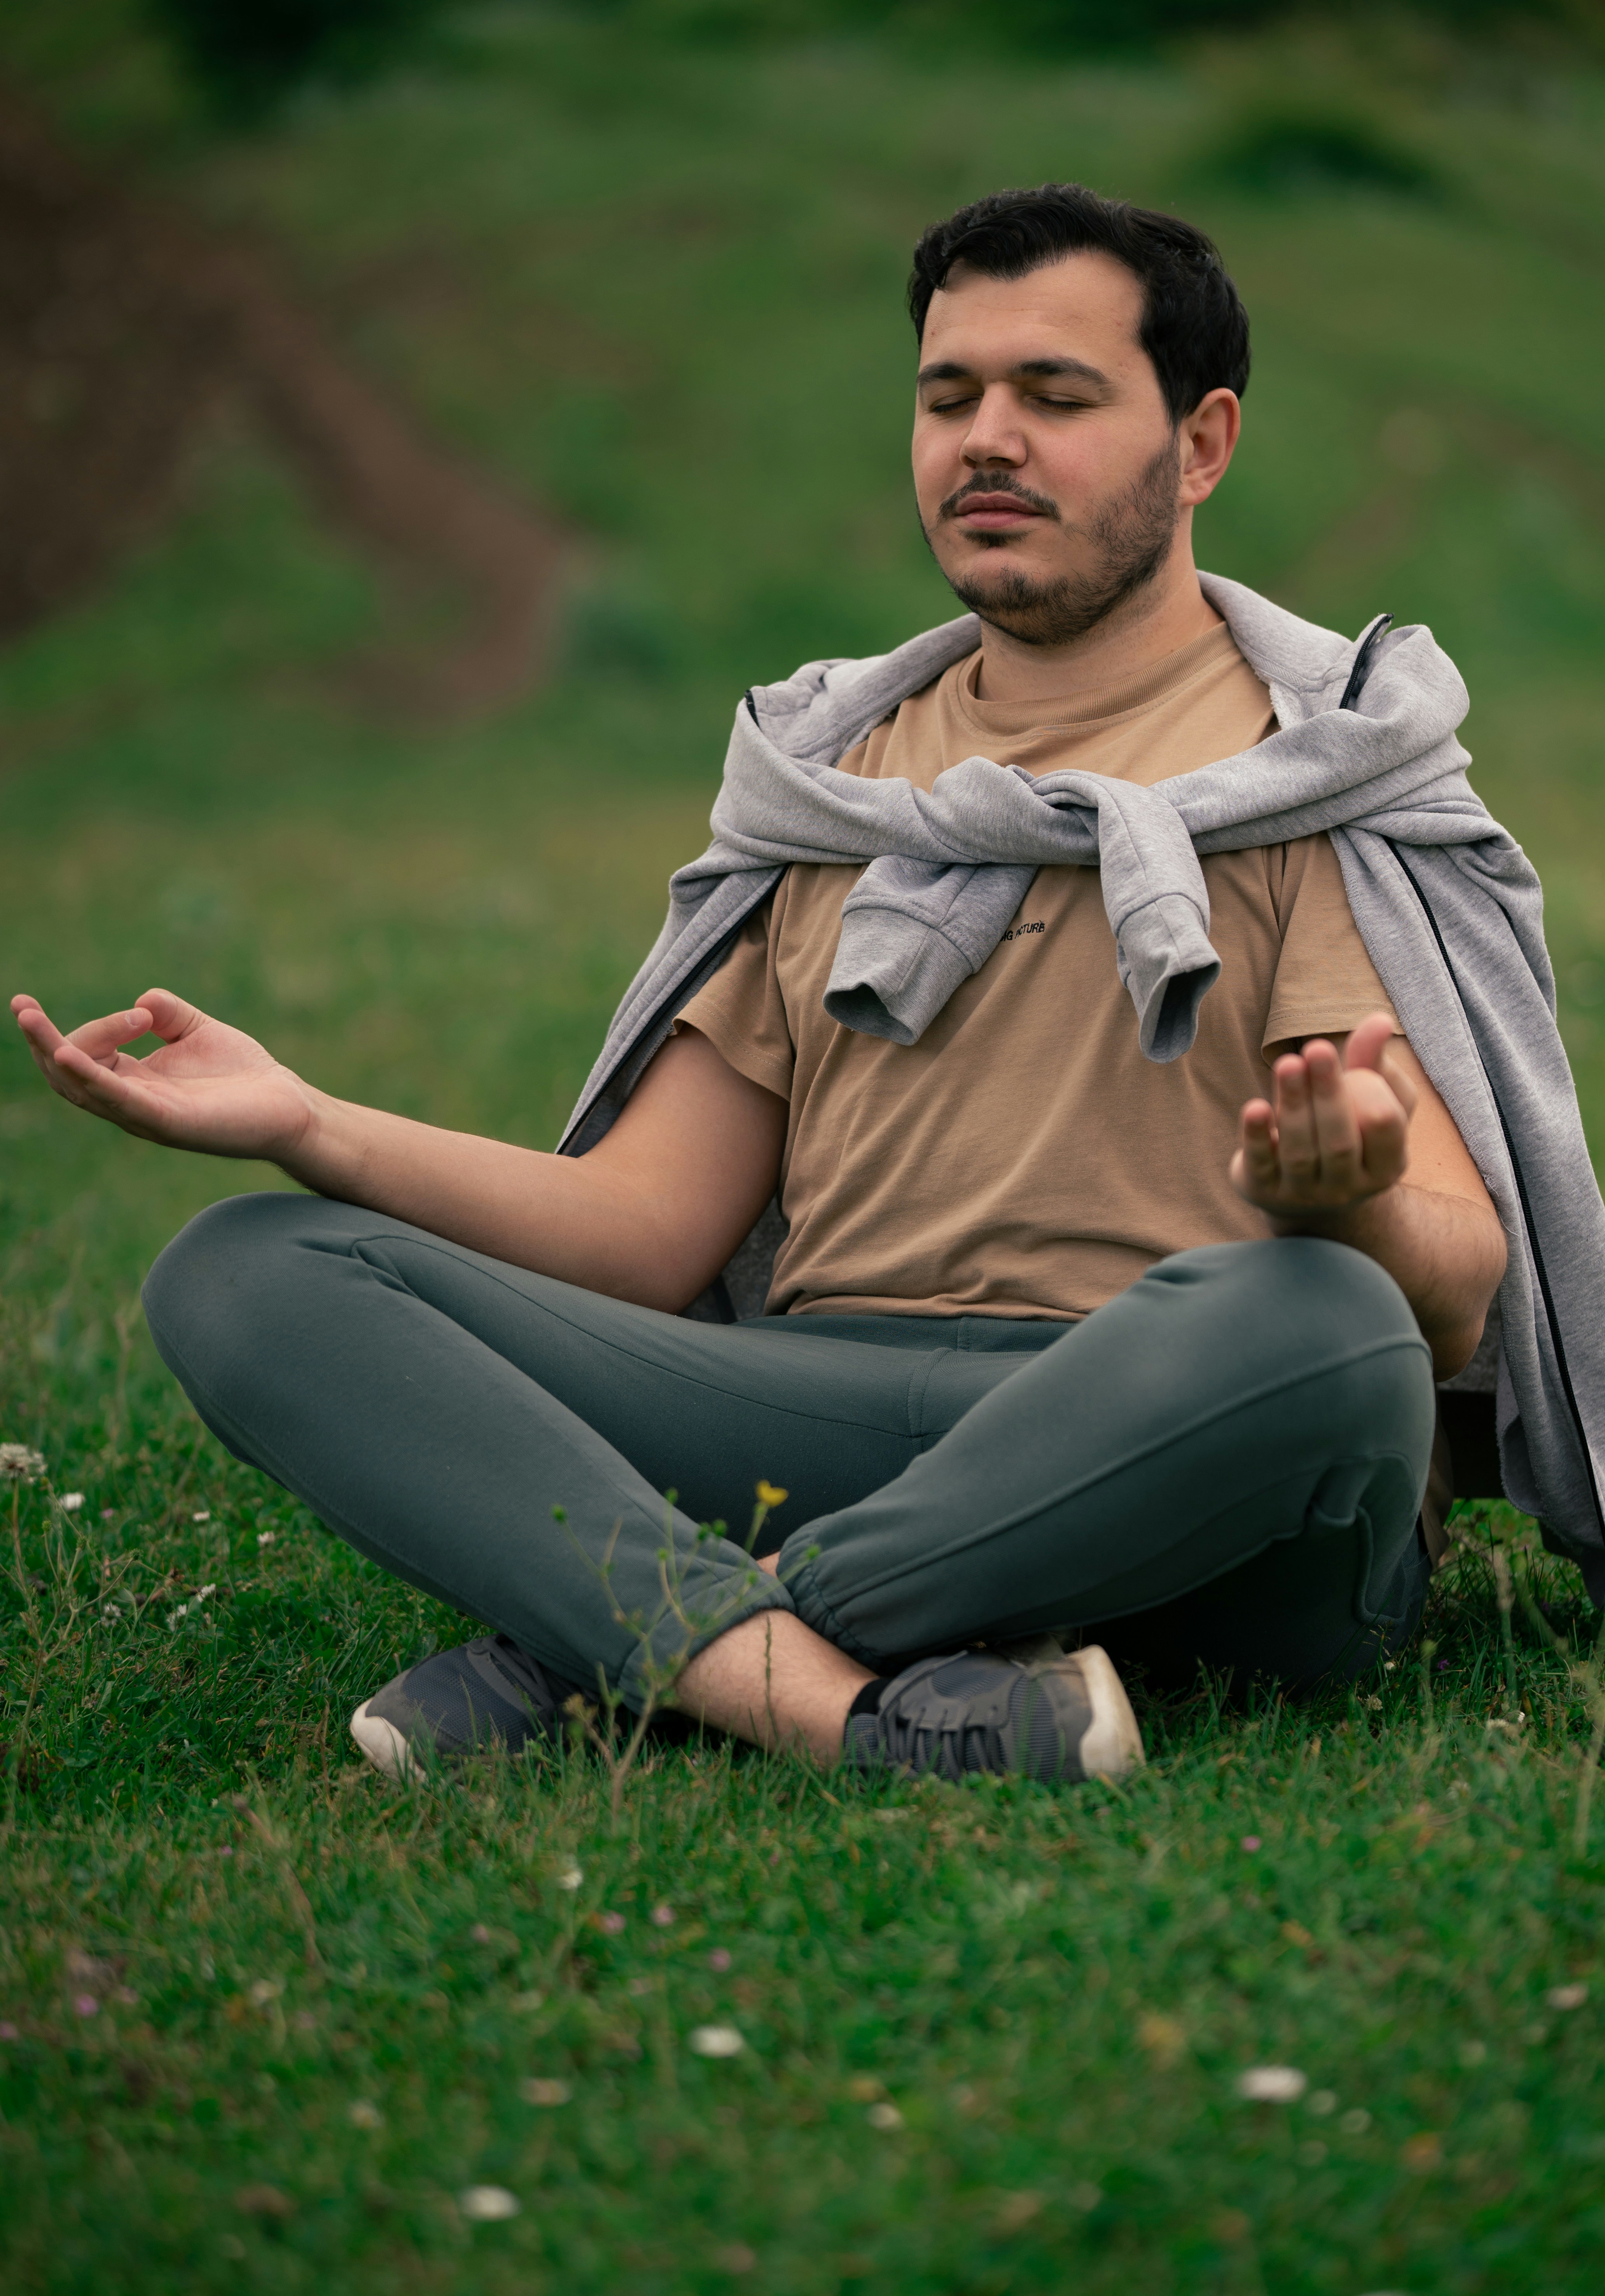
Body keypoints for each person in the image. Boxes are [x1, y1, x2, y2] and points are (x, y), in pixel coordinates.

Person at [14, 183, 1597, 1794]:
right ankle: (846, 1705)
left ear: (1199, 446)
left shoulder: (1315, 773)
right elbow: (643, 1235)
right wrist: (308, 1121)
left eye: (1054, 397)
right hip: (825, 1412)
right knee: (251, 1266)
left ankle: (641, 1650)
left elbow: (1452, 1292)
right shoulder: (829, 785)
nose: (987, 440)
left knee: (1323, 1324)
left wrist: (1352, 1204)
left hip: (1182, 1449)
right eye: (948, 395)